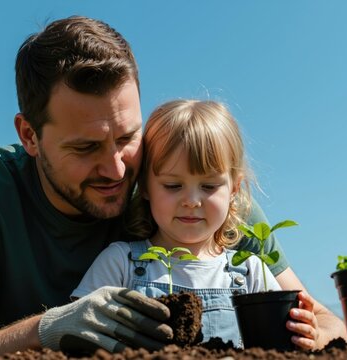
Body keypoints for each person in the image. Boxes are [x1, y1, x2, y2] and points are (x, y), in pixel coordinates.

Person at [0, 15, 347, 355]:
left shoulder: (193, 188)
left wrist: (312, 332)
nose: (117, 170)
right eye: (85, 148)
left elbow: (327, 324)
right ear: (29, 135)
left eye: (126, 139)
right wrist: (46, 330)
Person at [72, 99, 283, 347]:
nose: (192, 201)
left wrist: (302, 326)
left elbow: (282, 340)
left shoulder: (250, 273)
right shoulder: (121, 264)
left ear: (234, 188)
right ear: (145, 187)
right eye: (173, 186)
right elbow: (75, 331)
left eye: (209, 186)